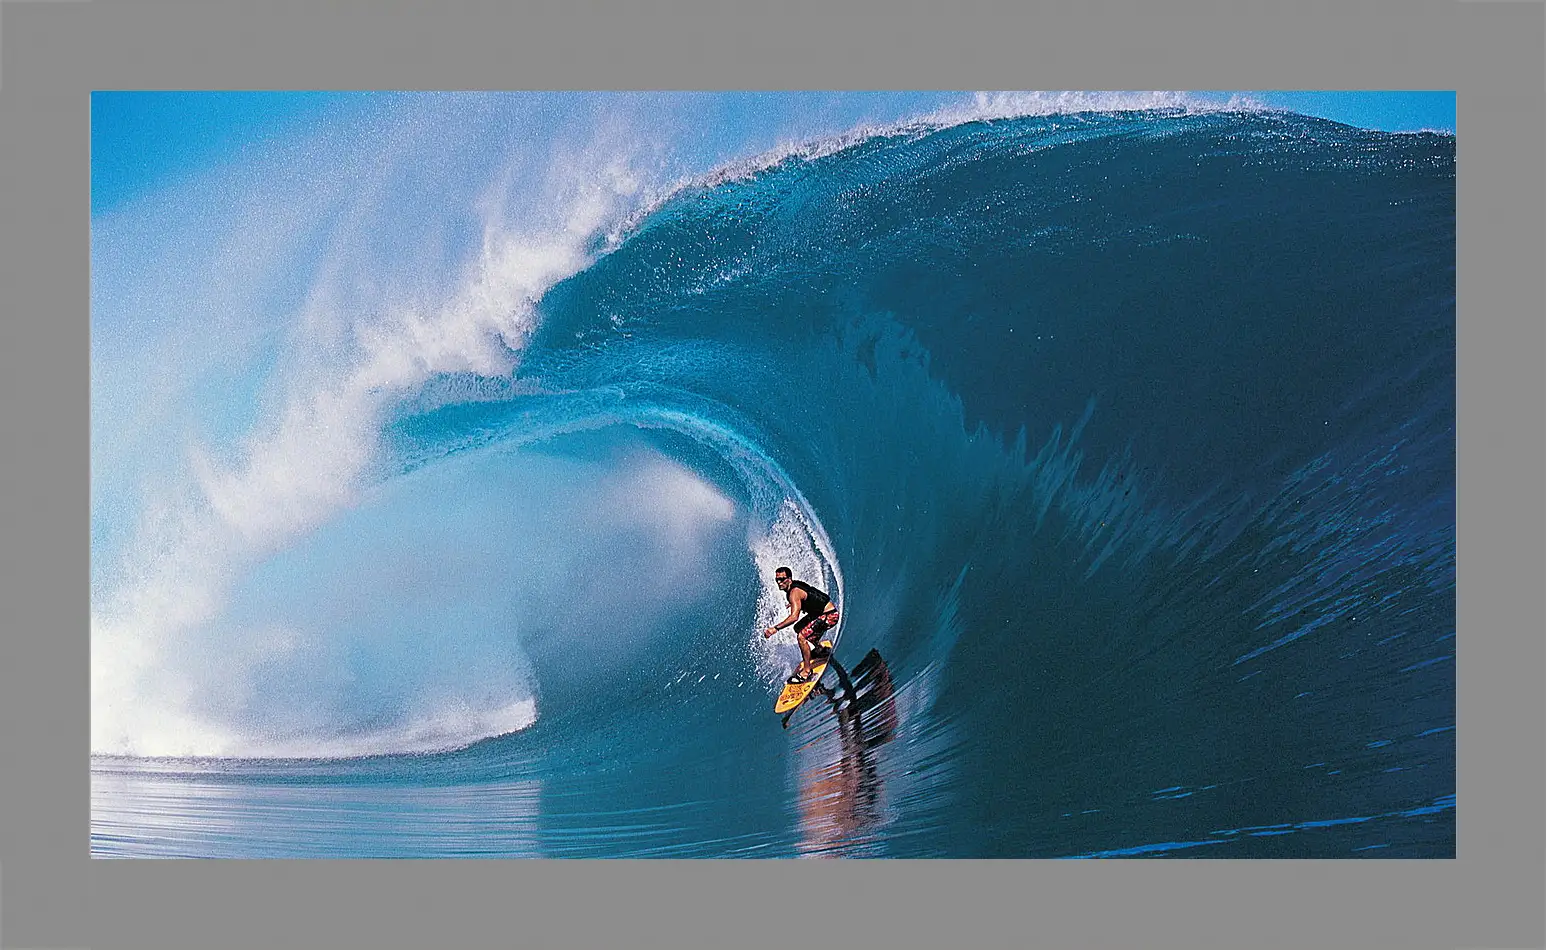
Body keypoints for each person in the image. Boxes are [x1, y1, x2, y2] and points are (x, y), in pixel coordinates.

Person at [762, 566, 840, 683]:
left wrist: (775, 629)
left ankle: (806, 672)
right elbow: (808, 594)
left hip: (829, 615)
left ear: (789, 579)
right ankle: (820, 650)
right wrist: (795, 604)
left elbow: (794, 617)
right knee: (798, 628)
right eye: (777, 580)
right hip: (819, 613)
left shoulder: (794, 592)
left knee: (801, 637)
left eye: (782, 579)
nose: (779, 582)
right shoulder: (793, 587)